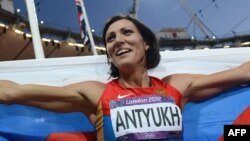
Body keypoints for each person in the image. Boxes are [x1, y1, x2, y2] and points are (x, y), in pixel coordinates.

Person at [0, 15, 250, 141]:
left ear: (146, 44)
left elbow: (243, 72)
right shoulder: (95, 93)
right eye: (110, 38)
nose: (117, 40)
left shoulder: (177, 85)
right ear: (109, 53)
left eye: (126, 32)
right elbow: (12, 92)